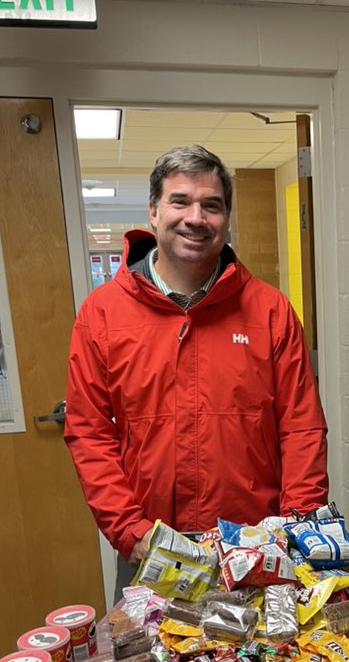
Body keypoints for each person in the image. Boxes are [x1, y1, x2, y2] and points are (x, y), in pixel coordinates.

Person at [65, 145, 328, 600]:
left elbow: (301, 427)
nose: (196, 217)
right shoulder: (102, 315)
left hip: (254, 544)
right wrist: (130, 530)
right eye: (180, 201)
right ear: (153, 211)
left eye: (212, 205)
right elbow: (89, 433)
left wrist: (297, 523)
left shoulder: (269, 311)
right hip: (151, 549)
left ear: (226, 218)